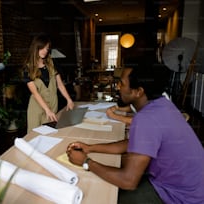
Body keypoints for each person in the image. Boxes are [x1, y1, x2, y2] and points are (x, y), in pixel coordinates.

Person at [66, 62, 204, 204]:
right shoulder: (162, 104)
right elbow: (134, 143)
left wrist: (86, 162)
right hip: (192, 187)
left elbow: (128, 181)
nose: (118, 87)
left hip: (181, 197)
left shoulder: (146, 119)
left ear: (138, 91)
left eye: (122, 84)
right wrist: (90, 147)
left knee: (104, 196)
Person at [23, 34, 74, 132]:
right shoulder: (28, 68)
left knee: (48, 132)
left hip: (53, 104)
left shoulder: (52, 63)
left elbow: (60, 84)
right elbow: (35, 93)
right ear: (35, 48)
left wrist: (69, 99)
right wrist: (47, 110)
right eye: (41, 48)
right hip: (36, 106)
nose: (44, 51)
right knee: (33, 135)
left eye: (46, 49)